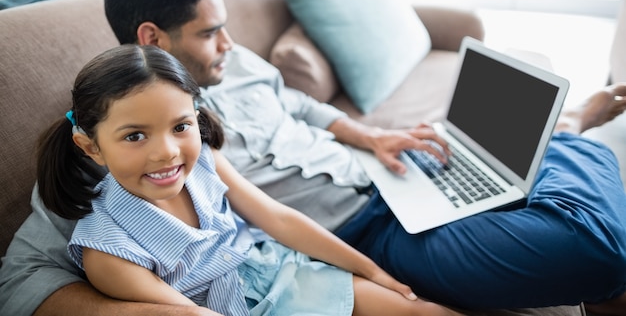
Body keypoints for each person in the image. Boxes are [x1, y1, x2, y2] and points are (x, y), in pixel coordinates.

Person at [1, 0, 625, 316]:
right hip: (373, 231)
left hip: (389, 174)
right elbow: (24, 277)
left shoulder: (236, 62)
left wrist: (367, 136)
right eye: (210, 31)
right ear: (151, 38)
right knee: (593, 248)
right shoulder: (122, 141)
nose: (231, 42)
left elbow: (297, 106)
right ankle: (568, 139)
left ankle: (556, 140)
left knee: (505, 157)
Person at [36, 43, 462, 316]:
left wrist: (373, 271)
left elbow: (278, 219)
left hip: (279, 272)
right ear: (91, 147)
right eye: (134, 136)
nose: (166, 151)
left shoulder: (206, 162)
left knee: (423, 310)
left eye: (180, 127)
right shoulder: (106, 253)